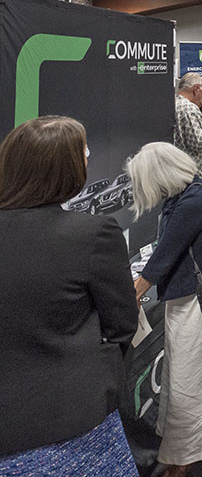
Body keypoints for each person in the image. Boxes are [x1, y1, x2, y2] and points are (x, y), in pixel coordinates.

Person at [0, 116, 139, 474]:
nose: (89, 158)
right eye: (84, 152)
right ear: (66, 168)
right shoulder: (92, 234)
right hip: (75, 431)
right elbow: (122, 325)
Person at [129, 142, 202, 477]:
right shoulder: (189, 193)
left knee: (190, 386)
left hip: (197, 306)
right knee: (196, 385)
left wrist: (130, 296)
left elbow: (163, 258)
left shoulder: (192, 200)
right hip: (192, 303)